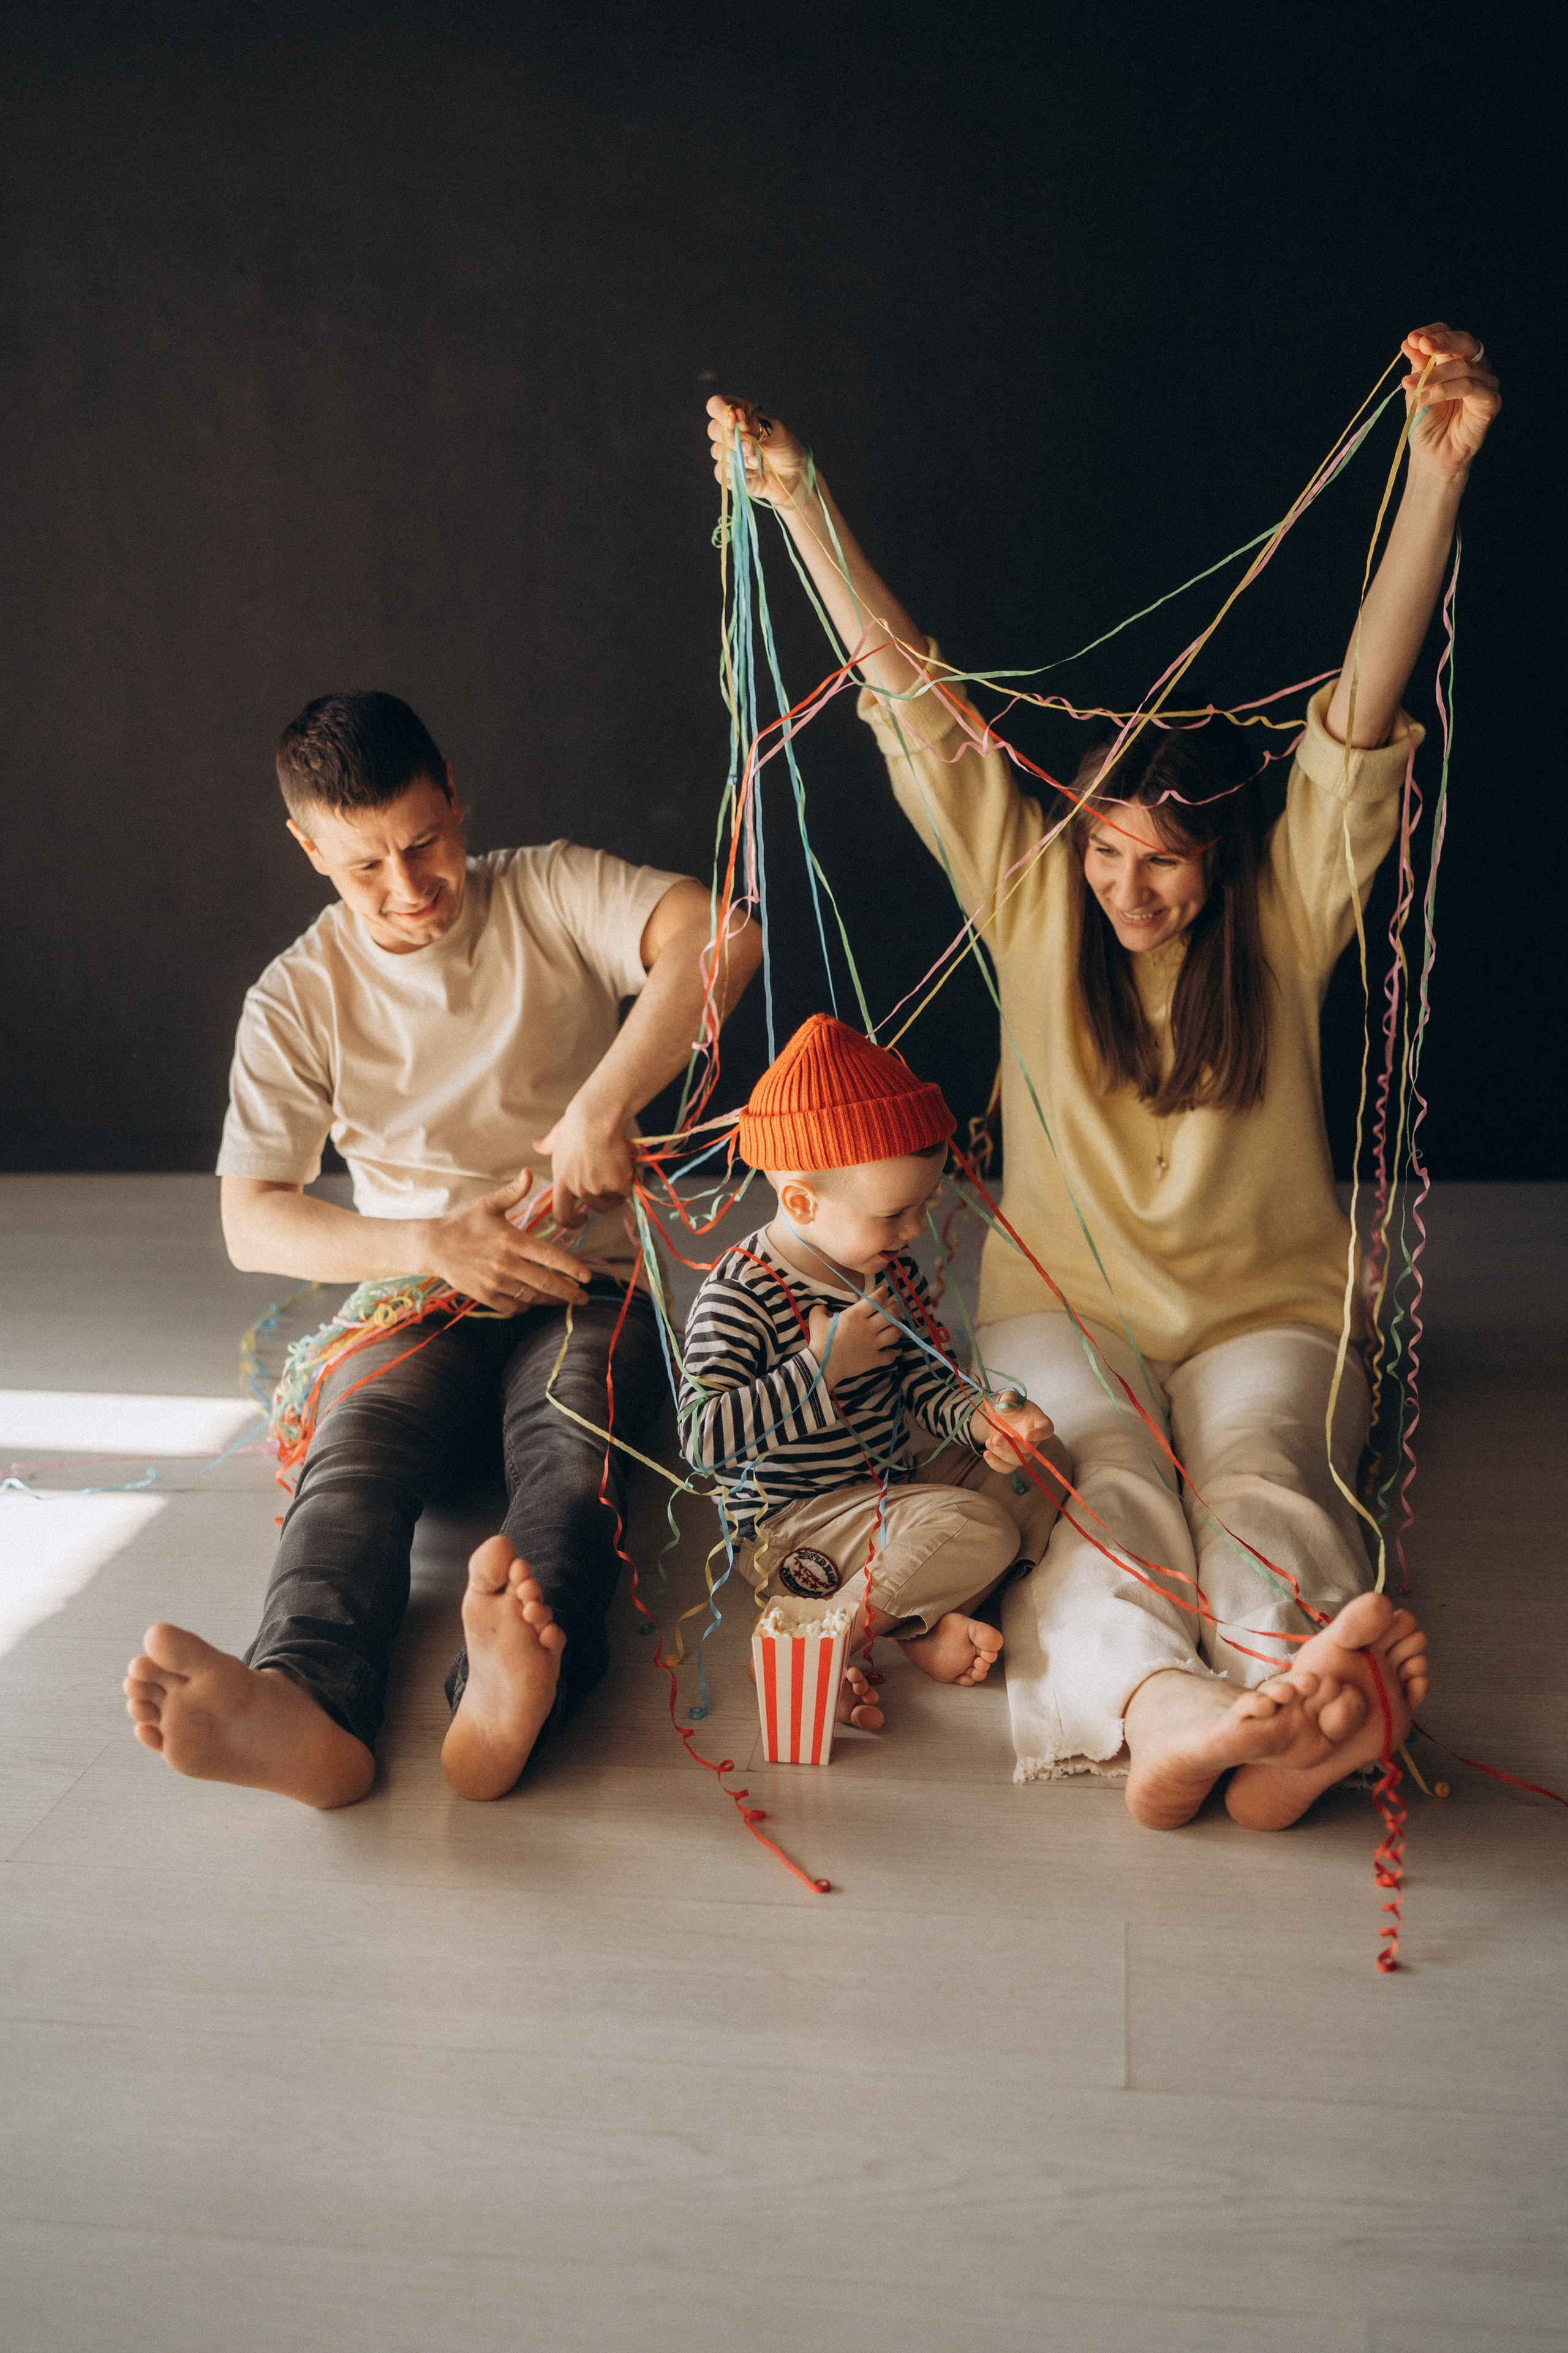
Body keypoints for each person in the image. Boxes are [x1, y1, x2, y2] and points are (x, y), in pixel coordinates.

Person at [704, 322, 1501, 1829]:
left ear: (1221, 861)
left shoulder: (1285, 910)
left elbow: (1364, 698)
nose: (1127, 888)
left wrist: (1434, 470)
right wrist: (797, 502)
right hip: (1061, 1306)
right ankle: (1171, 1715)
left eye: (1166, 865)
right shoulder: (1025, 894)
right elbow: (910, 701)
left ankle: (1287, 1702)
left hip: (1263, 1307)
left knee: (1260, 1474)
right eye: (1106, 850)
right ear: (1072, 832)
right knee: (1096, 1486)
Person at [123, 689, 761, 1806]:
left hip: (587, 1284)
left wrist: (601, 1108)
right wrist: (428, 1240)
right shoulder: (295, 996)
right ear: (309, 848)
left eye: (425, 843)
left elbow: (722, 939)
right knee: (354, 1461)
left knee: (568, 1467)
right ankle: (307, 1706)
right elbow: (250, 1219)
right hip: (416, 1295)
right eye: (365, 865)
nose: (410, 889)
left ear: (457, 795)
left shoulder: (550, 888)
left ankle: (505, 1703)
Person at [680, 1013, 1069, 1729]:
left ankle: (919, 1624)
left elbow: (924, 1379)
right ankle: (827, 1638)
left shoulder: (879, 1264)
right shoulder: (740, 1293)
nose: (915, 1231)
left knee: (1043, 1466)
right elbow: (703, 1440)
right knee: (978, 1526)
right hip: (795, 1522)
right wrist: (820, 1370)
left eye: (924, 1205)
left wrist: (982, 1415)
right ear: (800, 1200)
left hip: (888, 1489)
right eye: (895, 1213)